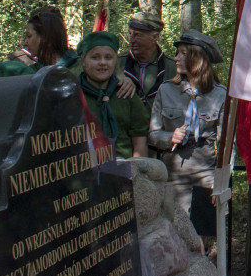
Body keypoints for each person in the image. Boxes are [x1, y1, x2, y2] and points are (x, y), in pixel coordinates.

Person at [149, 29, 227, 231]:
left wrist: (220, 183)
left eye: (183, 53)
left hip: (205, 178)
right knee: (175, 238)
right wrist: (170, 137)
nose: (176, 58)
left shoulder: (220, 95)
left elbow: (228, 145)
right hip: (173, 177)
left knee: (203, 238)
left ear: (198, 57)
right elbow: (153, 134)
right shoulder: (166, 91)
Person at [76, 30, 149, 158]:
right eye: (95, 57)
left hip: (124, 167)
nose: (103, 62)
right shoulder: (73, 96)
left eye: (108, 57)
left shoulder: (127, 94)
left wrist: (135, 172)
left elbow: (139, 143)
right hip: (84, 170)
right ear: (83, 61)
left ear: (116, 61)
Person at [0, 6, 77, 80]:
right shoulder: (30, 71)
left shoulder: (82, 68)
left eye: (29, 36)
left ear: (45, 36)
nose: (25, 43)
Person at [113, 12, 177, 107]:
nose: (132, 40)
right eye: (130, 34)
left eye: (138, 35)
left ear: (155, 37)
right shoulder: (116, 63)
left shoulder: (173, 68)